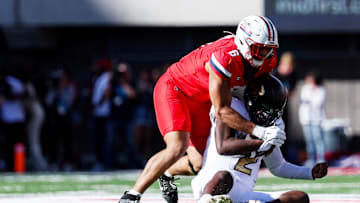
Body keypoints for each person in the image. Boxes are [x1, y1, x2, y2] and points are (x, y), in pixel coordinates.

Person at [119, 15, 285, 203]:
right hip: (176, 89)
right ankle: (132, 195)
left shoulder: (266, 61)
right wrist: (259, 131)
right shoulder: (225, 58)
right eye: (260, 49)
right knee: (177, 146)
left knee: (199, 163)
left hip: (203, 98)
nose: (266, 55)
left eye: (270, 50)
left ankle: (166, 172)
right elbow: (222, 110)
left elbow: (254, 93)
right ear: (244, 43)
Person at [192, 74, 328, 203]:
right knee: (224, 176)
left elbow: (278, 166)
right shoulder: (232, 108)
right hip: (211, 183)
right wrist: (262, 142)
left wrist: (309, 172)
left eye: (275, 110)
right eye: (266, 109)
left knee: (299, 198)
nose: (270, 115)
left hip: (243, 193)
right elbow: (223, 147)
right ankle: (206, 200)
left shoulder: (274, 124)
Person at [299, 71, 327, 167]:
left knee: (318, 139)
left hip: (316, 119)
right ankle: (311, 159)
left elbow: (317, 103)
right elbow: (303, 99)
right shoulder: (305, 88)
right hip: (306, 119)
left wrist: (311, 96)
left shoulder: (321, 90)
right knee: (309, 141)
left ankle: (321, 159)